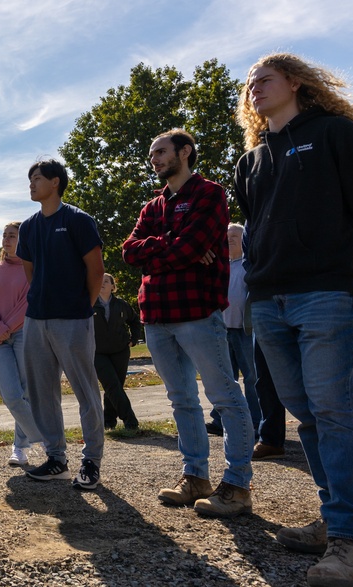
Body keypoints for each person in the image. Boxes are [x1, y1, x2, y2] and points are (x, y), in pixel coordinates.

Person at [235, 53, 353, 586]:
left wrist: (349, 276)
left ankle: (352, 544)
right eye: (249, 85)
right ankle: (333, 519)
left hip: (327, 293)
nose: (254, 90)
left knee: (333, 408)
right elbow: (254, 232)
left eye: (264, 80)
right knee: (304, 410)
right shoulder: (250, 162)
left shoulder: (339, 134)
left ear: (296, 82)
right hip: (269, 300)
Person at [122, 128, 254, 518]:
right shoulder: (152, 207)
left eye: (160, 151)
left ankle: (238, 485)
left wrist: (164, 250)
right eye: (151, 153)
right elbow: (130, 252)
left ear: (185, 152)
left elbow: (194, 245)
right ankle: (195, 476)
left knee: (225, 397)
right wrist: (172, 247)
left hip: (196, 312)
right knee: (181, 400)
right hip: (156, 317)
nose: (154, 159)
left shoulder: (210, 194)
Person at [17, 159, 106, 490]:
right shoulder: (28, 227)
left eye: (37, 178)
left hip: (73, 319)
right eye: (30, 179)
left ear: (55, 182)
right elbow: (30, 271)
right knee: (42, 394)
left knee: (85, 390)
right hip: (36, 319)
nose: (31, 183)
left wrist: (82, 305)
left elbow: (95, 271)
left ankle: (92, 461)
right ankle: (57, 459)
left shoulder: (78, 220)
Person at [0, 221, 44, 466]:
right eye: (4, 235)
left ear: (23, 240)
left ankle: (20, 447)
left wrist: (8, 328)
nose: (6, 239)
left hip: (24, 334)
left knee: (25, 393)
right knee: (12, 395)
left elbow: (29, 302)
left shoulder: (32, 268)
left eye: (12, 235)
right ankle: (47, 440)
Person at [205, 224, 262, 439]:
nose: (230, 239)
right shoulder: (220, 267)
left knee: (252, 379)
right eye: (226, 236)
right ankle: (220, 421)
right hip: (222, 331)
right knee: (225, 379)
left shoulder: (249, 266)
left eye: (235, 236)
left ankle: (256, 422)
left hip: (246, 331)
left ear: (244, 239)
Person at [93, 273, 142, 431]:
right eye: (99, 280)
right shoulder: (89, 303)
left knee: (115, 387)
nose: (102, 283)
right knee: (112, 385)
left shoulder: (121, 304)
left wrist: (134, 339)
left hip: (120, 351)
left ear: (113, 287)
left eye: (106, 281)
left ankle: (108, 421)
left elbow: (135, 321)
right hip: (97, 353)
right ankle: (131, 421)